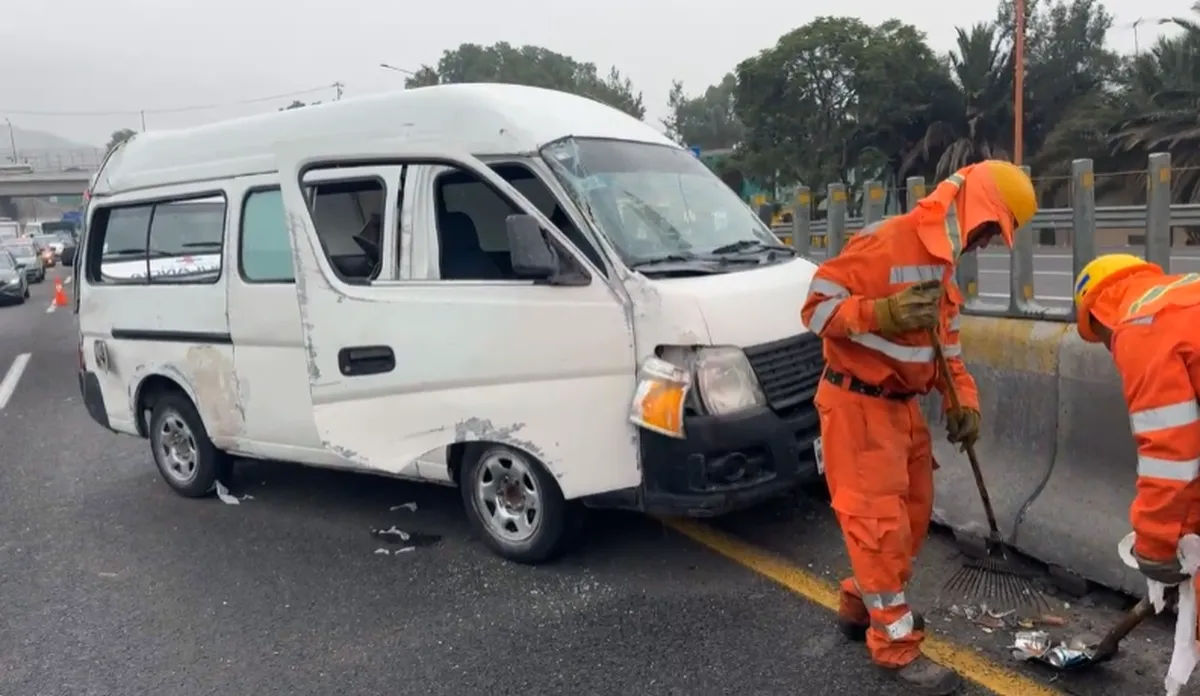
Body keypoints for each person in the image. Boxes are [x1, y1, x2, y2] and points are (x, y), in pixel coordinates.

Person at [800, 161, 1037, 694]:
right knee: (878, 527)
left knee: (907, 519)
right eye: (987, 230)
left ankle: (861, 604)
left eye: (994, 238)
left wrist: (965, 404)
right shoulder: (886, 242)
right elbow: (814, 311)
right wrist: (879, 313)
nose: (985, 244)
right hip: (858, 406)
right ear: (971, 209)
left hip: (902, 410)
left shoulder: (943, 268)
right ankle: (895, 646)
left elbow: (946, 351)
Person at [1073, 254, 1200, 586]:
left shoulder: (1140, 326)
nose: (1110, 349)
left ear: (1098, 315)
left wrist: (1156, 543)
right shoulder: (1181, 294)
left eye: (1102, 340)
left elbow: (1170, 453)